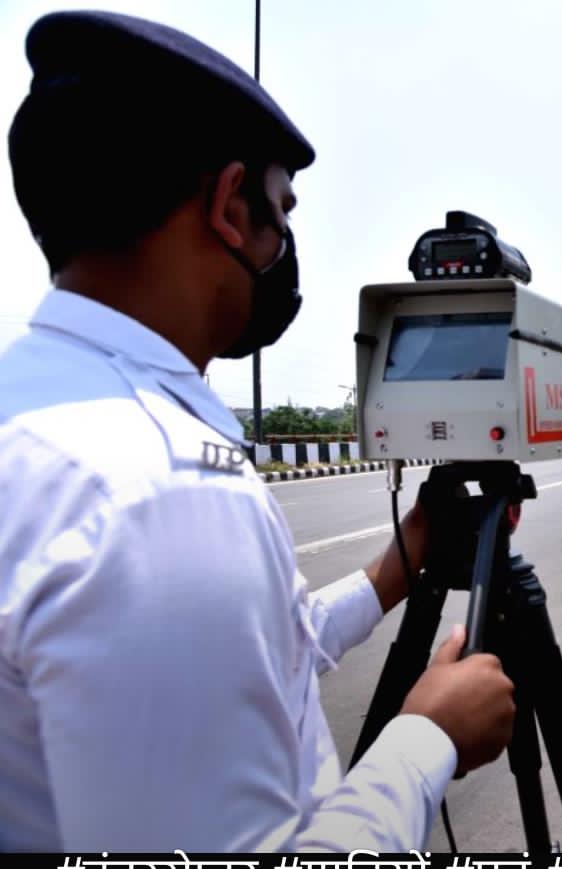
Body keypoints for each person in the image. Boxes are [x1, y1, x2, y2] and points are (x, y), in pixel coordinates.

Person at [0, 10, 515, 852]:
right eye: (280, 210)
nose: (284, 245)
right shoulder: (162, 492)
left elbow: (253, 656)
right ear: (227, 207)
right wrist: (429, 739)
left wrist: (403, 560)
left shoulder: (31, 409)